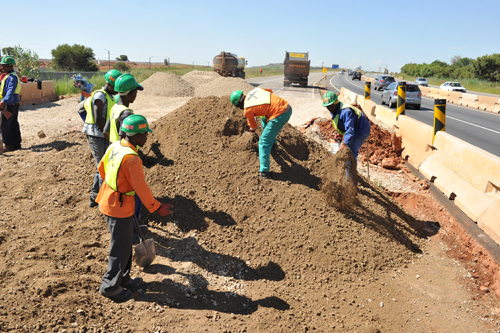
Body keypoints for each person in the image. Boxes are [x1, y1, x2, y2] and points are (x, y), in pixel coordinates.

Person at [97, 114, 174, 303]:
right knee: (120, 249)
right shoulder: (132, 158)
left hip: (110, 200)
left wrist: (116, 185)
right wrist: (157, 208)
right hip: (119, 207)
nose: (147, 137)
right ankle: (110, 287)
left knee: (124, 245)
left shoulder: (116, 145)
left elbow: (101, 168)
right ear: (138, 137)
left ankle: (123, 279)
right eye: (145, 134)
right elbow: (141, 189)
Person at [103, 73, 144, 223]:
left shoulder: (115, 108)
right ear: (131, 94)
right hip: (125, 159)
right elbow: (126, 138)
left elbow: (106, 131)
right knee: (133, 192)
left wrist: (114, 148)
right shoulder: (126, 114)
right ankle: (133, 225)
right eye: (135, 92)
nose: (136, 95)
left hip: (115, 154)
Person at [230, 88, 292, 179]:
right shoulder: (254, 90)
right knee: (264, 119)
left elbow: (254, 127)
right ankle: (274, 145)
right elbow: (270, 91)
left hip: (280, 115)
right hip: (286, 106)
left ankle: (264, 172)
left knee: (263, 141)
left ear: (239, 104)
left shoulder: (247, 109)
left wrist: (251, 129)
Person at [83, 69, 122, 208]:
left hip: (103, 135)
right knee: (103, 168)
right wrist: (109, 136)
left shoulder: (110, 97)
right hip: (96, 136)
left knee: (102, 167)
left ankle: (94, 197)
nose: (117, 91)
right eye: (116, 88)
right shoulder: (100, 95)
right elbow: (99, 119)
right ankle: (102, 202)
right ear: (110, 84)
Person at [322, 91, 371, 184]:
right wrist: (340, 133)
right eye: (327, 106)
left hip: (361, 130)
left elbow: (350, 130)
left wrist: (344, 144)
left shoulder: (346, 111)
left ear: (336, 103)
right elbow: (341, 122)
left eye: (331, 106)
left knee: (350, 153)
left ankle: (351, 182)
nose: (329, 108)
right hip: (353, 129)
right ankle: (348, 175)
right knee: (347, 152)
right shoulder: (334, 109)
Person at [0, 56, 22, 152]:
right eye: (2, 66)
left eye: (4, 66)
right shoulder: (9, 76)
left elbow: (10, 91)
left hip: (9, 105)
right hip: (13, 104)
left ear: (10, 66)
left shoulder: (12, 78)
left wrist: (3, 101)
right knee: (13, 124)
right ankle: (16, 144)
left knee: (5, 125)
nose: (2, 68)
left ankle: (9, 145)